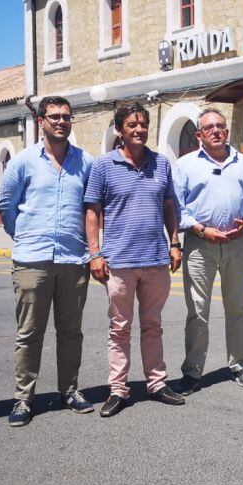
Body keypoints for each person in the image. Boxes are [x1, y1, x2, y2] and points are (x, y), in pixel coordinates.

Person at [0, 96, 96, 427]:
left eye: (66, 117)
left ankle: (69, 390)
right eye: (54, 116)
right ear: (40, 121)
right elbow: (7, 205)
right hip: (32, 260)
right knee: (29, 333)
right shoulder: (23, 161)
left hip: (73, 258)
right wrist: (25, 238)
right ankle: (23, 398)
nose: (61, 121)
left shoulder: (86, 162)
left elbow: (92, 208)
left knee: (71, 332)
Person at [84, 100, 185, 416]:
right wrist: (95, 254)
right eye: (132, 125)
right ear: (119, 130)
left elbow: (170, 206)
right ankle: (118, 389)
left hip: (155, 260)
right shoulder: (103, 166)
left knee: (153, 325)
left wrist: (175, 243)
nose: (139, 129)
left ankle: (157, 383)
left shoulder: (161, 164)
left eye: (143, 124)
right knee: (120, 328)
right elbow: (91, 212)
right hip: (119, 263)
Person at [169, 108, 243, 395]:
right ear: (199, 135)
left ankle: (239, 363)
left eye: (220, 126)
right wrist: (200, 229)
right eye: (209, 127)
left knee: (237, 308)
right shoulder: (185, 165)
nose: (215, 131)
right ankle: (192, 371)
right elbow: (177, 208)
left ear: (226, 130)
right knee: (197, 311)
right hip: (200, 245)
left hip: (236, 245)